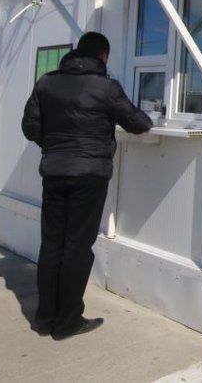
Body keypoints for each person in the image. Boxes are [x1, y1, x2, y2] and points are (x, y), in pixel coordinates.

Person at [22, 31, 152, 340]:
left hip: (54, 172)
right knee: (77, 247)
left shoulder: (46, 83)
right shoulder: (106, 87)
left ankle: (45, 318)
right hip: (90, 175)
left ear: (77, 52)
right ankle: (67, 322)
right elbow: (139, 123)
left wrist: (55, 147)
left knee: (52, 244)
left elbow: (30, 127)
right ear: (103, 55)